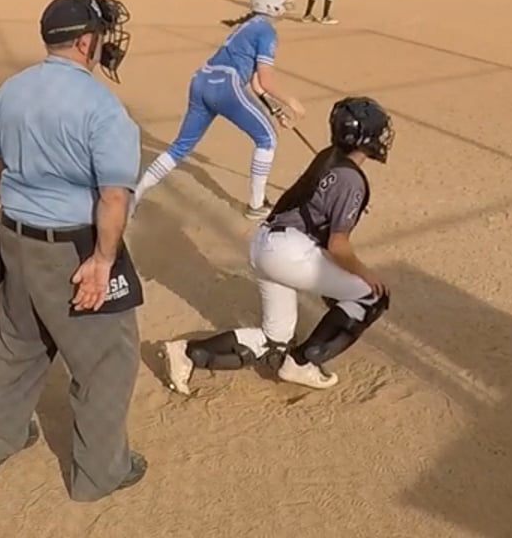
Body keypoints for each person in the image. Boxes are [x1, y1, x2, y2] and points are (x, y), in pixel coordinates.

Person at [0, 0, 148, 502]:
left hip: (13, 235)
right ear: (86, 42)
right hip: (73, 246)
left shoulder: (11, 89)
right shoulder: (103, 107)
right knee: (107, 360)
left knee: (18, 340)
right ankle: (100, 474)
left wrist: (25, 214)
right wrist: (101, 260)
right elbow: (114, 197)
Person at [158, 96, 396, 395]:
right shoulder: (351, 180)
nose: (383, 136)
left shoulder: (329, 156)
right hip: (289, 251)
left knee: (274, 339)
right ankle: (302, 363)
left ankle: (185, 352)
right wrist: (365, 275)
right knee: (371, 297)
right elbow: (337, 246)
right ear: (363, 138)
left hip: (266, 243)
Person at [135, 0, 305, 220]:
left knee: (179, 147)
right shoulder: (266, 31)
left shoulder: (246, 27)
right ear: (271, 6)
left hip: (201, 81)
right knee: (267, 138)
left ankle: (135, 195)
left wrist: (275, 110)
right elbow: (265, 80)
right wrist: (293, 102)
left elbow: (256, 84)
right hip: (225, 85)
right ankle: (256, 205)